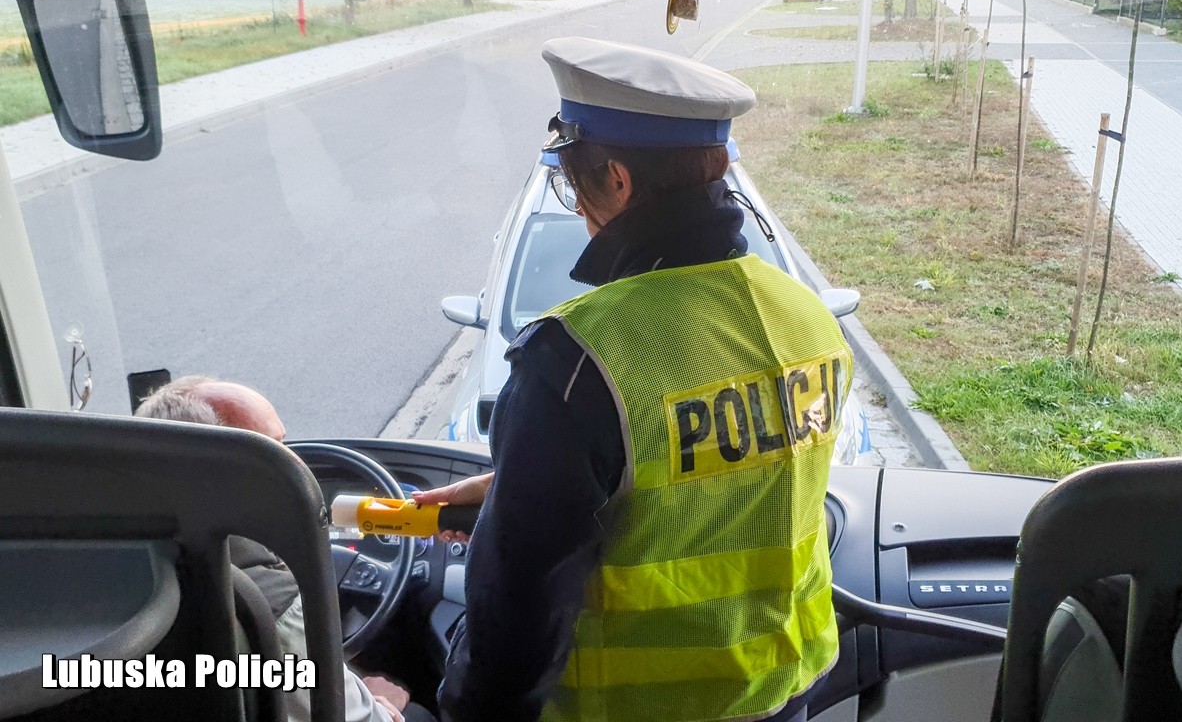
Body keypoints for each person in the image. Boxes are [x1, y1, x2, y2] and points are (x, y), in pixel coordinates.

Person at [419, 38, 853, 722]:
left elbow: (518, 619)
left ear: (617, 180)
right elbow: (734, 490)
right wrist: (530, 483)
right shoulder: (806, 316)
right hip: (780, 698)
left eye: (572, 182)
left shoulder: (577, 360)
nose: (576, 202)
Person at [135, 376, 429, 722]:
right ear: (216, 475)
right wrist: (375, 701)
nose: (298, 468)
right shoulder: (263, 598)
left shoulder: (124, 553)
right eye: (273, 452)